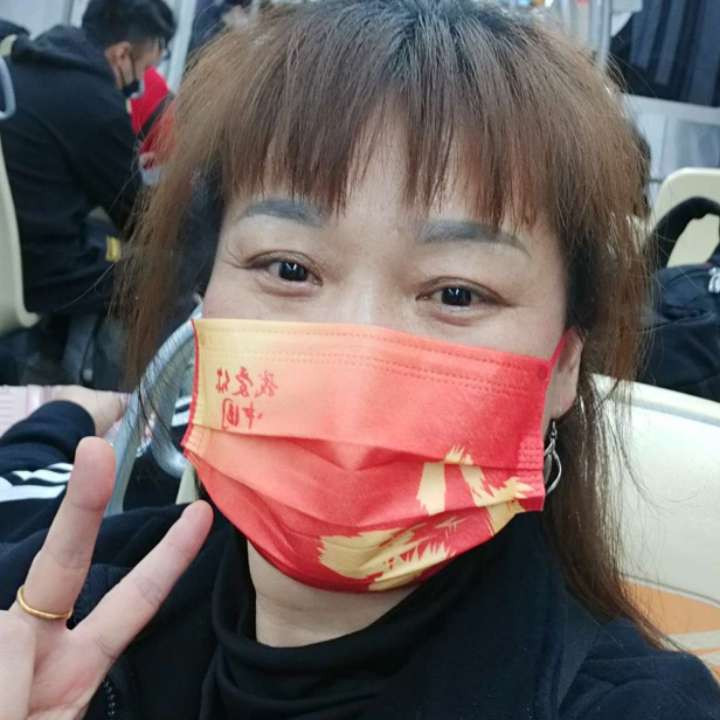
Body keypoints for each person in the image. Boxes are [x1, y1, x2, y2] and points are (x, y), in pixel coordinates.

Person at [1, 2, 719, 718]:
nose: (355, 364)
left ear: (563, 367)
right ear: (205, 300)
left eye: (457, 293)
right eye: (288, 269)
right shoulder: (43, 619)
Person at [0, 0, 175, 316]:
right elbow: (138, 218)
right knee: (164, 274)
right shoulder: (101, 107)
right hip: (40, 274)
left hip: (18, 239)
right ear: (121, 54)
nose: (143, 80)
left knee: (102, 237)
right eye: (145, 69)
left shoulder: (36, 52)